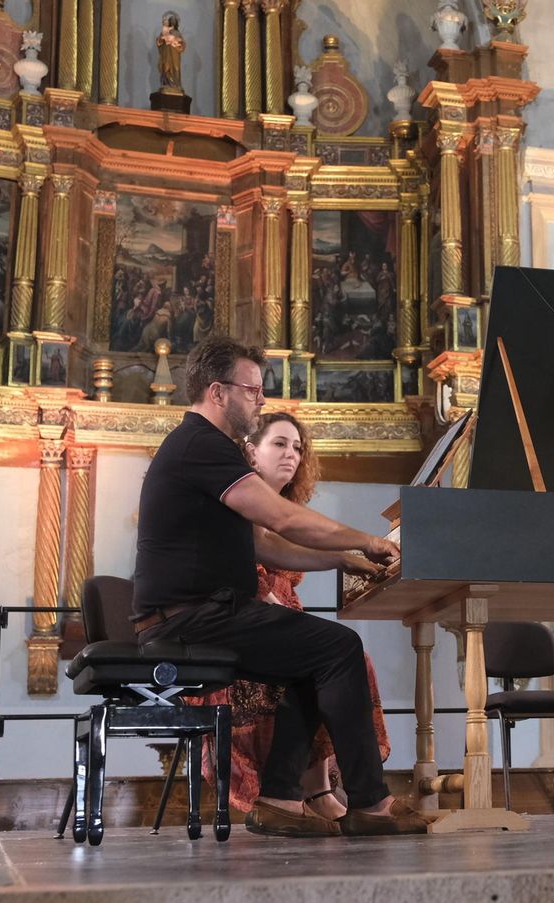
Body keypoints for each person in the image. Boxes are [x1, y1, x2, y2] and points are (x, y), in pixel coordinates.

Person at [132, 333, 427, 837]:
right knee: (339, 648)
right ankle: (370, 804)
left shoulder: (205, 447)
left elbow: (266, 546)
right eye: (252, 389)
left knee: (313, 660)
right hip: (192, 620)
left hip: (201, 616)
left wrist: (343, 559)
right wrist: (367, 540)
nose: (261, 399)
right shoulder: (201, 444)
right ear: (218, 392)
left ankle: (280, 800)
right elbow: (282, 519)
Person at [200, 411, 392, 820]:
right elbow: (249, 579)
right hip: (238, 628)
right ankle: (337, 796)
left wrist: (346, 558)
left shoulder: (286, 509)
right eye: (280, 444)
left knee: (339, 657)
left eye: (298, 447)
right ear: (251, 452)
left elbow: (290, 552)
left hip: (270, 624)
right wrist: (354, 549)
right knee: (332, 657)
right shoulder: (240, 499)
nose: (292, 454)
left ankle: (310, 791)